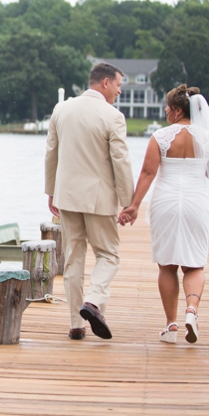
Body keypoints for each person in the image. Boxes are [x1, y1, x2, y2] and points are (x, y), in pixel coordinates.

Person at [118, 84, 209, 344]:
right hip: (195, 203)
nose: (165, 110)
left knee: (167, 265)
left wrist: (133, 206)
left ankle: (171, 326)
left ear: (178, 111)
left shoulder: (161, 136)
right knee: (194, 264)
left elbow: (147, 173)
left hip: (165, 202)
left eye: (168, 107)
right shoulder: (208, 138)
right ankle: (192, 310)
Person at [45, 62, 134, 340]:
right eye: (118, 85)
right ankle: (93, 302)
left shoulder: (62, 109)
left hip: (67, 197)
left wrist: (51, 192)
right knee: (108, 254)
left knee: (73, 259)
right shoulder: (113, 116)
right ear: (105, 82)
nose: (119, 91)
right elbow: (121, 161)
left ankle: (75, 324)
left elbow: (51, 153)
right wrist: (128, 201)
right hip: (99, 199)